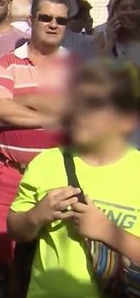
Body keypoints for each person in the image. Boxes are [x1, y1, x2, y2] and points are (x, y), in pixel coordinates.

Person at [8, 59, 140, 298]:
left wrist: (108, 231)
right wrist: (36, 215)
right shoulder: (46, 162)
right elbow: (15, 229)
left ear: (126, 118)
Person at [0, 0, 74, 298]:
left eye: (61, 20)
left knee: (50, 252)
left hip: (58, 177)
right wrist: (53, 115)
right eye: (45, 17)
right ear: (31, 20)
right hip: (11, 172)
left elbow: (79, 113)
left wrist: (26, 100)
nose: (53, 24)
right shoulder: (8, 62)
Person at [98, 0, 140, 65]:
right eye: (124, 8)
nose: (129, 12)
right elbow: (96, 69)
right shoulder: (103, 37)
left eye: (134, 8)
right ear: (114, 13)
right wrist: (111, 40)